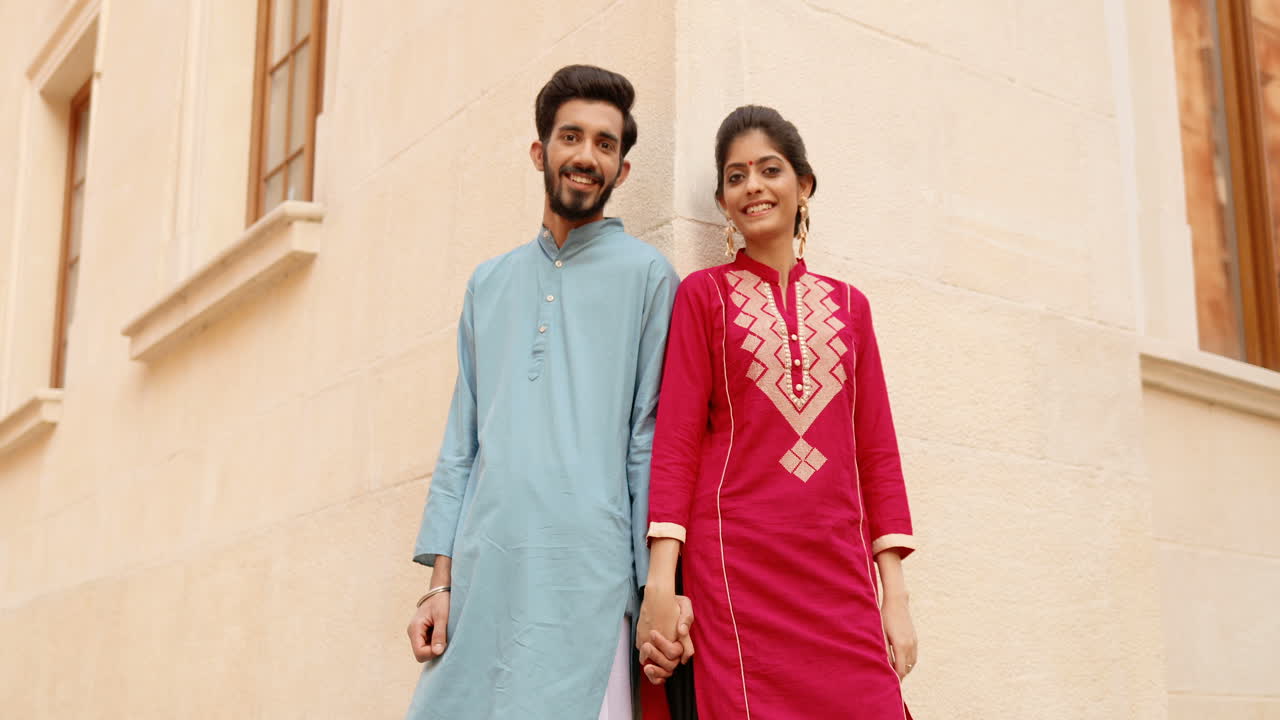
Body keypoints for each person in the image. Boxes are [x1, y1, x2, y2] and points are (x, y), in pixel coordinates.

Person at [404, 65, 693, 720]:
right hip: (484, 576)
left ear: (621, 171)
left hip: (587, 583)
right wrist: (439, 581)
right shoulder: (489, 284)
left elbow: (649, 441)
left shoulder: (649, 278)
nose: (586, 156)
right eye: (572, 137)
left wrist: (656, 589)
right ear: (541, 152)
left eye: (605, 144)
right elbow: (461, 442)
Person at [639, 105, 919, 719]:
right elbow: (678, 441)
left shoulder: (851, 308)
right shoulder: (703, 297)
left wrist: (893, 597)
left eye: (770, 170)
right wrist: (662, 581)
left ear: (804, 185)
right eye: (735, 177)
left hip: (836, 566)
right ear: (722, 200)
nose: (753, 187)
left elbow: (876, 452)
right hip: (736, 568)